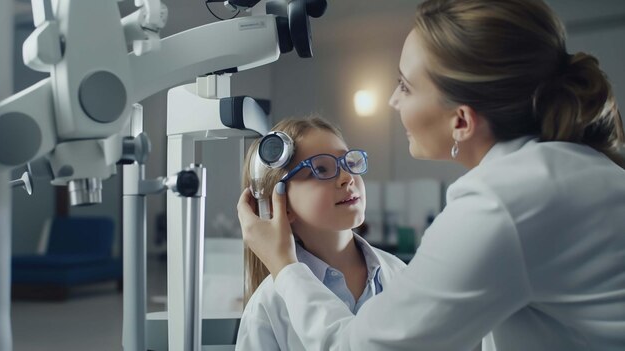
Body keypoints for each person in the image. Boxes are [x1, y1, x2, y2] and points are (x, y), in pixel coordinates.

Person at [236, 0, 625, 350]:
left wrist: (286, 267)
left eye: (405, 86)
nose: (392, 100)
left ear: (461, 120)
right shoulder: (569, 170)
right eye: (320, 169)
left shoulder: (499, 206)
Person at [235, 117, 406, 350]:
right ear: (280, 203)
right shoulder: (267, 306)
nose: (347, 178)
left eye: (347, 162)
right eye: (321, 169)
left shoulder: (401, 276)